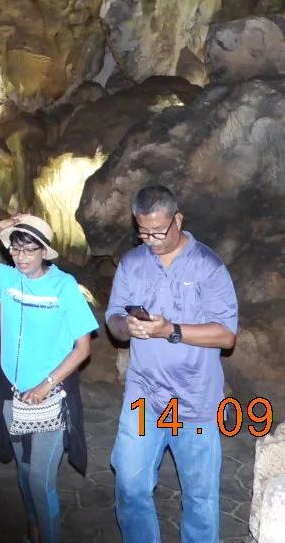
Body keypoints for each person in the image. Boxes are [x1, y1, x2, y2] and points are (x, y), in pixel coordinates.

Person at [104, 185, 239, 543]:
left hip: (195, 399)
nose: (152, 240)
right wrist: (126, 326)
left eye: (159, 231)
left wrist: (171, 330)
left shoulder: (208, 266)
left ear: (178, 220)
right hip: (145, 394)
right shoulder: (132, 264)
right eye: (143, 231)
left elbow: (226, 335)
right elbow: (114, 319)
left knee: (199, 497)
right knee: (130, 484)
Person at [0, 212, 98, 543]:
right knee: (23, 471)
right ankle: (34, 528)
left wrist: (46, 383)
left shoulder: (63, 287)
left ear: (44, 251)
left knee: (39, 479)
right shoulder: (5, 279)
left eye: (29, 249)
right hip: (13, 390)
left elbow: (83, 349)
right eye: (16, 249)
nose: (22, 257)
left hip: (51, 394)